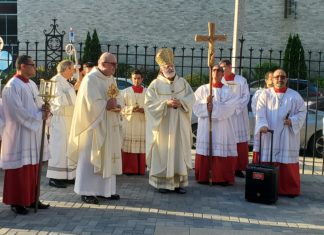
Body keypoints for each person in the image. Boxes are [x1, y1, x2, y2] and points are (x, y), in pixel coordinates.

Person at [68, 52, 123, 204]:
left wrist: (118, 104)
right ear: (103, 63)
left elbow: (117, 96)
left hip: (109, 123)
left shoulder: (110, 78)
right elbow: (90, 102)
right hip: (93, 125)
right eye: (113, 64)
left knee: (107, 156)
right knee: (89, 158)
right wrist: (106, 104)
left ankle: (106, 191)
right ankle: (86, 191)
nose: (115, 67)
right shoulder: (90, 79)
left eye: (115, 64)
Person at [0, 55, 51, 215]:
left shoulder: (32, 85)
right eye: (32, 65)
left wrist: (46, 110)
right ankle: (17, 201)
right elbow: (17, 112)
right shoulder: (11, 87)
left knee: (33, 168)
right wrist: (38, 116)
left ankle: (31, 198)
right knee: (20, 168)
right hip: (19, 135)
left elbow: (38, 105)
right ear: (22, 66)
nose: (35, 67)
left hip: (32, 134)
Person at [145, 48, 195, 194]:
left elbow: (191, 98)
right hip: (163, 127)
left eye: (172, 65)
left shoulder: (183, 82)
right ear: (161, 69)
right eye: (167, 66)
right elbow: (148, 104)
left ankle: (178, 184)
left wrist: (182, 103)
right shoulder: (155, 85)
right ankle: (162, 184)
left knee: (178, 152)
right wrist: (165, 104)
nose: (170, 68)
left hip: (179, 125)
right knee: (163, 152)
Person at [253, 68, 306, 197]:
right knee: (269, 158)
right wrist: (263, 125)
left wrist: (292, 120)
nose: (280, 79)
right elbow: (259, 112)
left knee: (286, 160)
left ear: (286, 79)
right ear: (273, 79)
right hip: (269, 133)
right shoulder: (265, 94)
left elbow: (302, 112)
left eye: (283, 77)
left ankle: (288, 189)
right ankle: (268, 187)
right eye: (277, 77)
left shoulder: (294, 96)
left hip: (287, 134)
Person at [194, 65, 240, 185]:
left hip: (223, 127)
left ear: (222, 73)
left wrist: (213, 108)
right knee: (206, 147)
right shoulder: (202, 89)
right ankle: (204, 176)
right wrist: (205, 105)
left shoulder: (229, 90)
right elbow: (194, 107)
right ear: (210, 73)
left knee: (220, 147)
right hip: (206, 125)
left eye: (219, 71)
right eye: (213, 70)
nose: (215, 73)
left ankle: (221, 177)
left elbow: (230, 107)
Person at [46, 60, 77, 188]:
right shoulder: (55, 81)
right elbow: (60, 100)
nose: (74, 71)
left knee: (67, 148)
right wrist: (74, 89)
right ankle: (54, 177)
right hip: (59, 119)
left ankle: (66, 176)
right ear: (66, 69)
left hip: (68, 119)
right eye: (72, 69)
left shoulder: (64, 81)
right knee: (58, 148)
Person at [219, 59, 250, 178]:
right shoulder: (219, 80)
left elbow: (245, 97)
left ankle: (238, 168)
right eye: (220, 68)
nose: (222, 71)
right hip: (225, 116)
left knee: (238, 141)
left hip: (237, 116)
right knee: (225, 140)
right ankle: (225, 166)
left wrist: (233, 108)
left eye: (224, 68)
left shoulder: (241, 80)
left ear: (230, 67)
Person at [121, 69, 146, 175]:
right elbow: (120, 107)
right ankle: (129, 169)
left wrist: (144, 110)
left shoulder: (148, 92)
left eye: (138, 78)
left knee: (141, 146)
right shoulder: (125, 92)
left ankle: (140, 169)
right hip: (129, 122)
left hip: (141, 123)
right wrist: (131, 109)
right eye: (134, 78)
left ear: (142, 79)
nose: (136, 80)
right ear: (131, 79)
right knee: (128, 145)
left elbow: (152, 107)